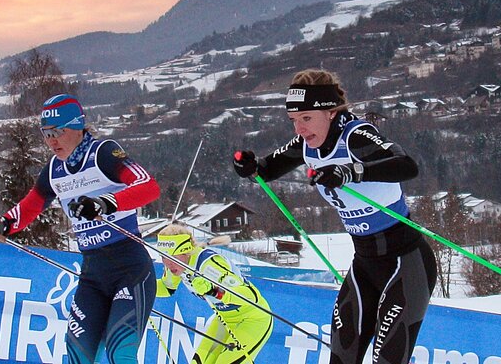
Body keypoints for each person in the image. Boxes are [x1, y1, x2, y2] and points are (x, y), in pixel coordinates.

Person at [231, 69, 435, 364]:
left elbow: (407, 165)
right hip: (364, 266)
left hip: (405, 264)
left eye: (307, 118)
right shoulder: (308, 145)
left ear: (330, 112)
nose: (299, 129)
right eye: (294, 121)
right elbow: (266, 169)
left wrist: (352, 172)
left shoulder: (356, 135)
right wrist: (249, 167)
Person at [0, 94, 161, 364]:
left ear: (77, 126)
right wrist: (2, 225)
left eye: (57, 132)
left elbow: (149, 187)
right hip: (93, 276)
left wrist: (106, 202)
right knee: (78, 355)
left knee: (120, 353)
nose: (51, 140)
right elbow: (30, 206)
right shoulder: (53, 170)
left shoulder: (104, 154)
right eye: (45, 133)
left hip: (130, 268)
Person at [153, 229, 274, 364]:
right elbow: (166, 287)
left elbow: (251, 297)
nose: (168, 264)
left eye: (173, 258)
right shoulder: (178, 266)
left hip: (252, 319)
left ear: (186, 251)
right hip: (225, 319)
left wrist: (215, 291)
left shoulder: (209, 265)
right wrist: (134, 287)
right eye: (163, 257)